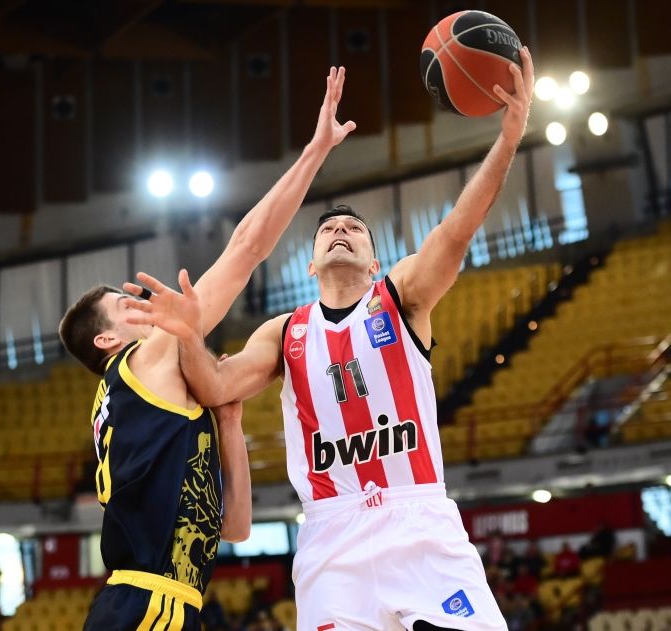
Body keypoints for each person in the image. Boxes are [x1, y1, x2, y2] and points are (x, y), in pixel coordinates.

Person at [125, 48, 534, 630]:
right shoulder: (285, 331)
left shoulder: (401, 297)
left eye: (354, 229)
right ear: (311, 265)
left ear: (375, 262)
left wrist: (508, 138)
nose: (340, 230)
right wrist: (188, 333)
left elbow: (455, 231)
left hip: (416, 517)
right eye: (328, 229)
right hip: (330, 533)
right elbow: (215, 387)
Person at [57, 67, 357, 631]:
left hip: (163, 604)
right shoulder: (141, 361)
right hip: (148, 606)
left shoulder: (147, 401)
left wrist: (229, 425)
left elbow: (236, 527)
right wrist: (315, 152)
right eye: (126, 304)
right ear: (107, 340)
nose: (145, 302)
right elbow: (246, 248)